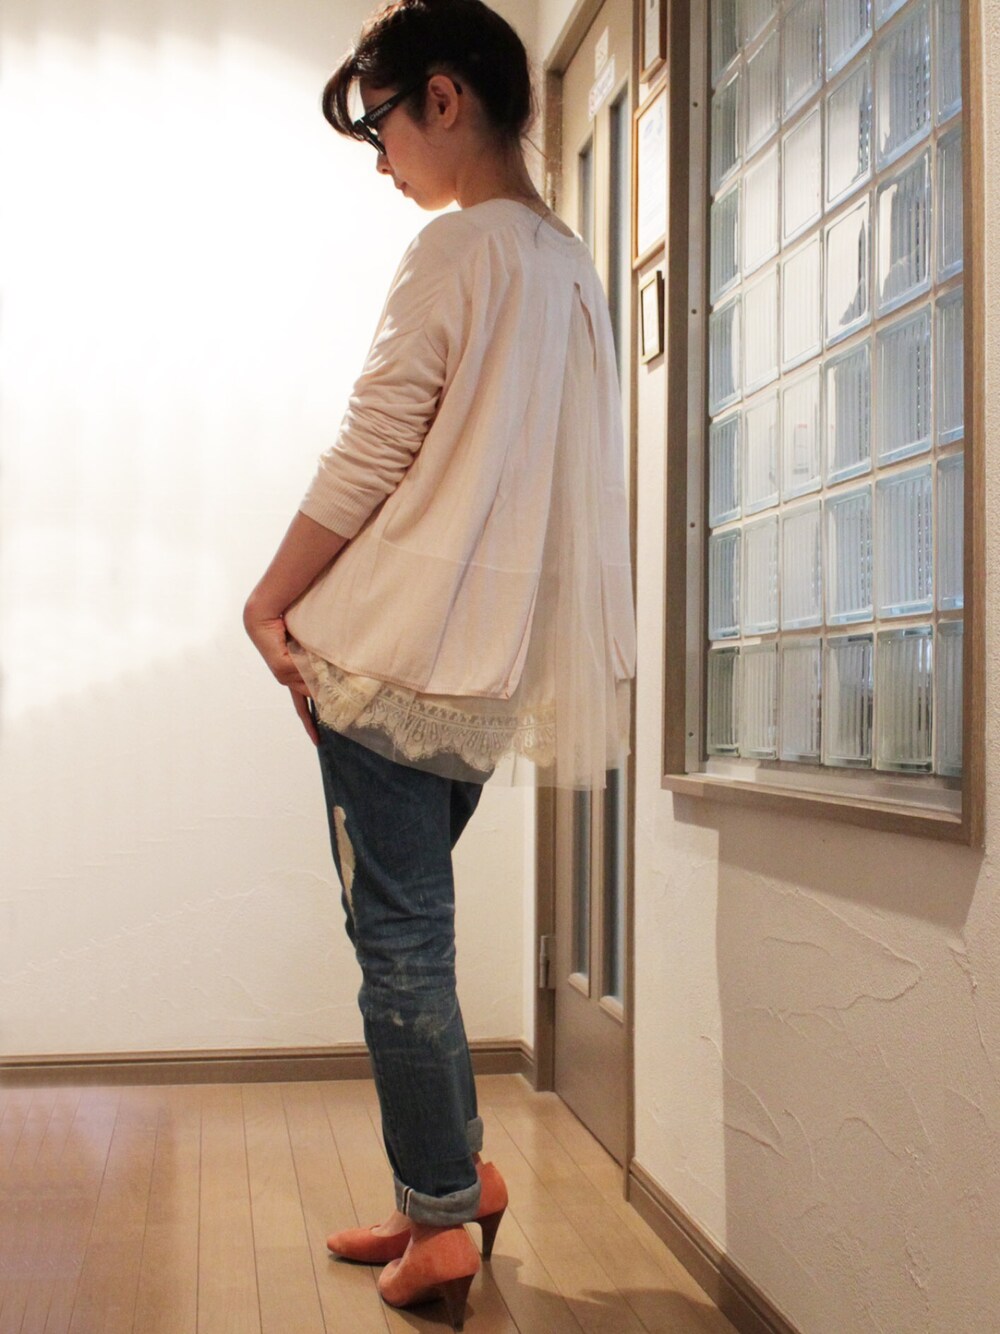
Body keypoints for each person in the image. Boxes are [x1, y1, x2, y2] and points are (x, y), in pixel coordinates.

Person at [243, 0, 635, 1325]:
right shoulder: (570, 269)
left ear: (447, 98)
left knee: (398, 946)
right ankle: (455, 1181)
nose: (382, 160)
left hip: (389, 659)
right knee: (416, 932)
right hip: (485, 679)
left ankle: (440, 1223)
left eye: (382, 125)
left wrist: (268, 600)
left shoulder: (456, 250)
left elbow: (374, 446)